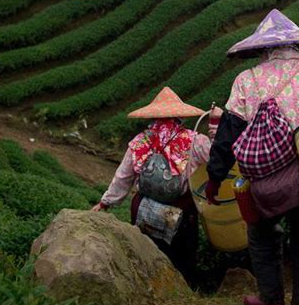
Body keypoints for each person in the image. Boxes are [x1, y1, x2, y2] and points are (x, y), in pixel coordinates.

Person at [205, 9, 299, 305]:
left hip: (263, 181)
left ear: (263, 49)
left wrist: (215, 179)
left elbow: (228, 134)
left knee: (260, 234)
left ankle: (270, 299)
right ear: (296, 48)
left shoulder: (248, 80)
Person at [92, 87, 218, 285]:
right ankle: (183, 292)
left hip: (144, 208)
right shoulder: (194, 141)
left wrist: (105, 203)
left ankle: (147, 287)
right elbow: (218, 158)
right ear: (179, 116)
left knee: (147, 252)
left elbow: (123, 177)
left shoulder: (140, 141)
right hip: (179, 211)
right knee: (180, 258)